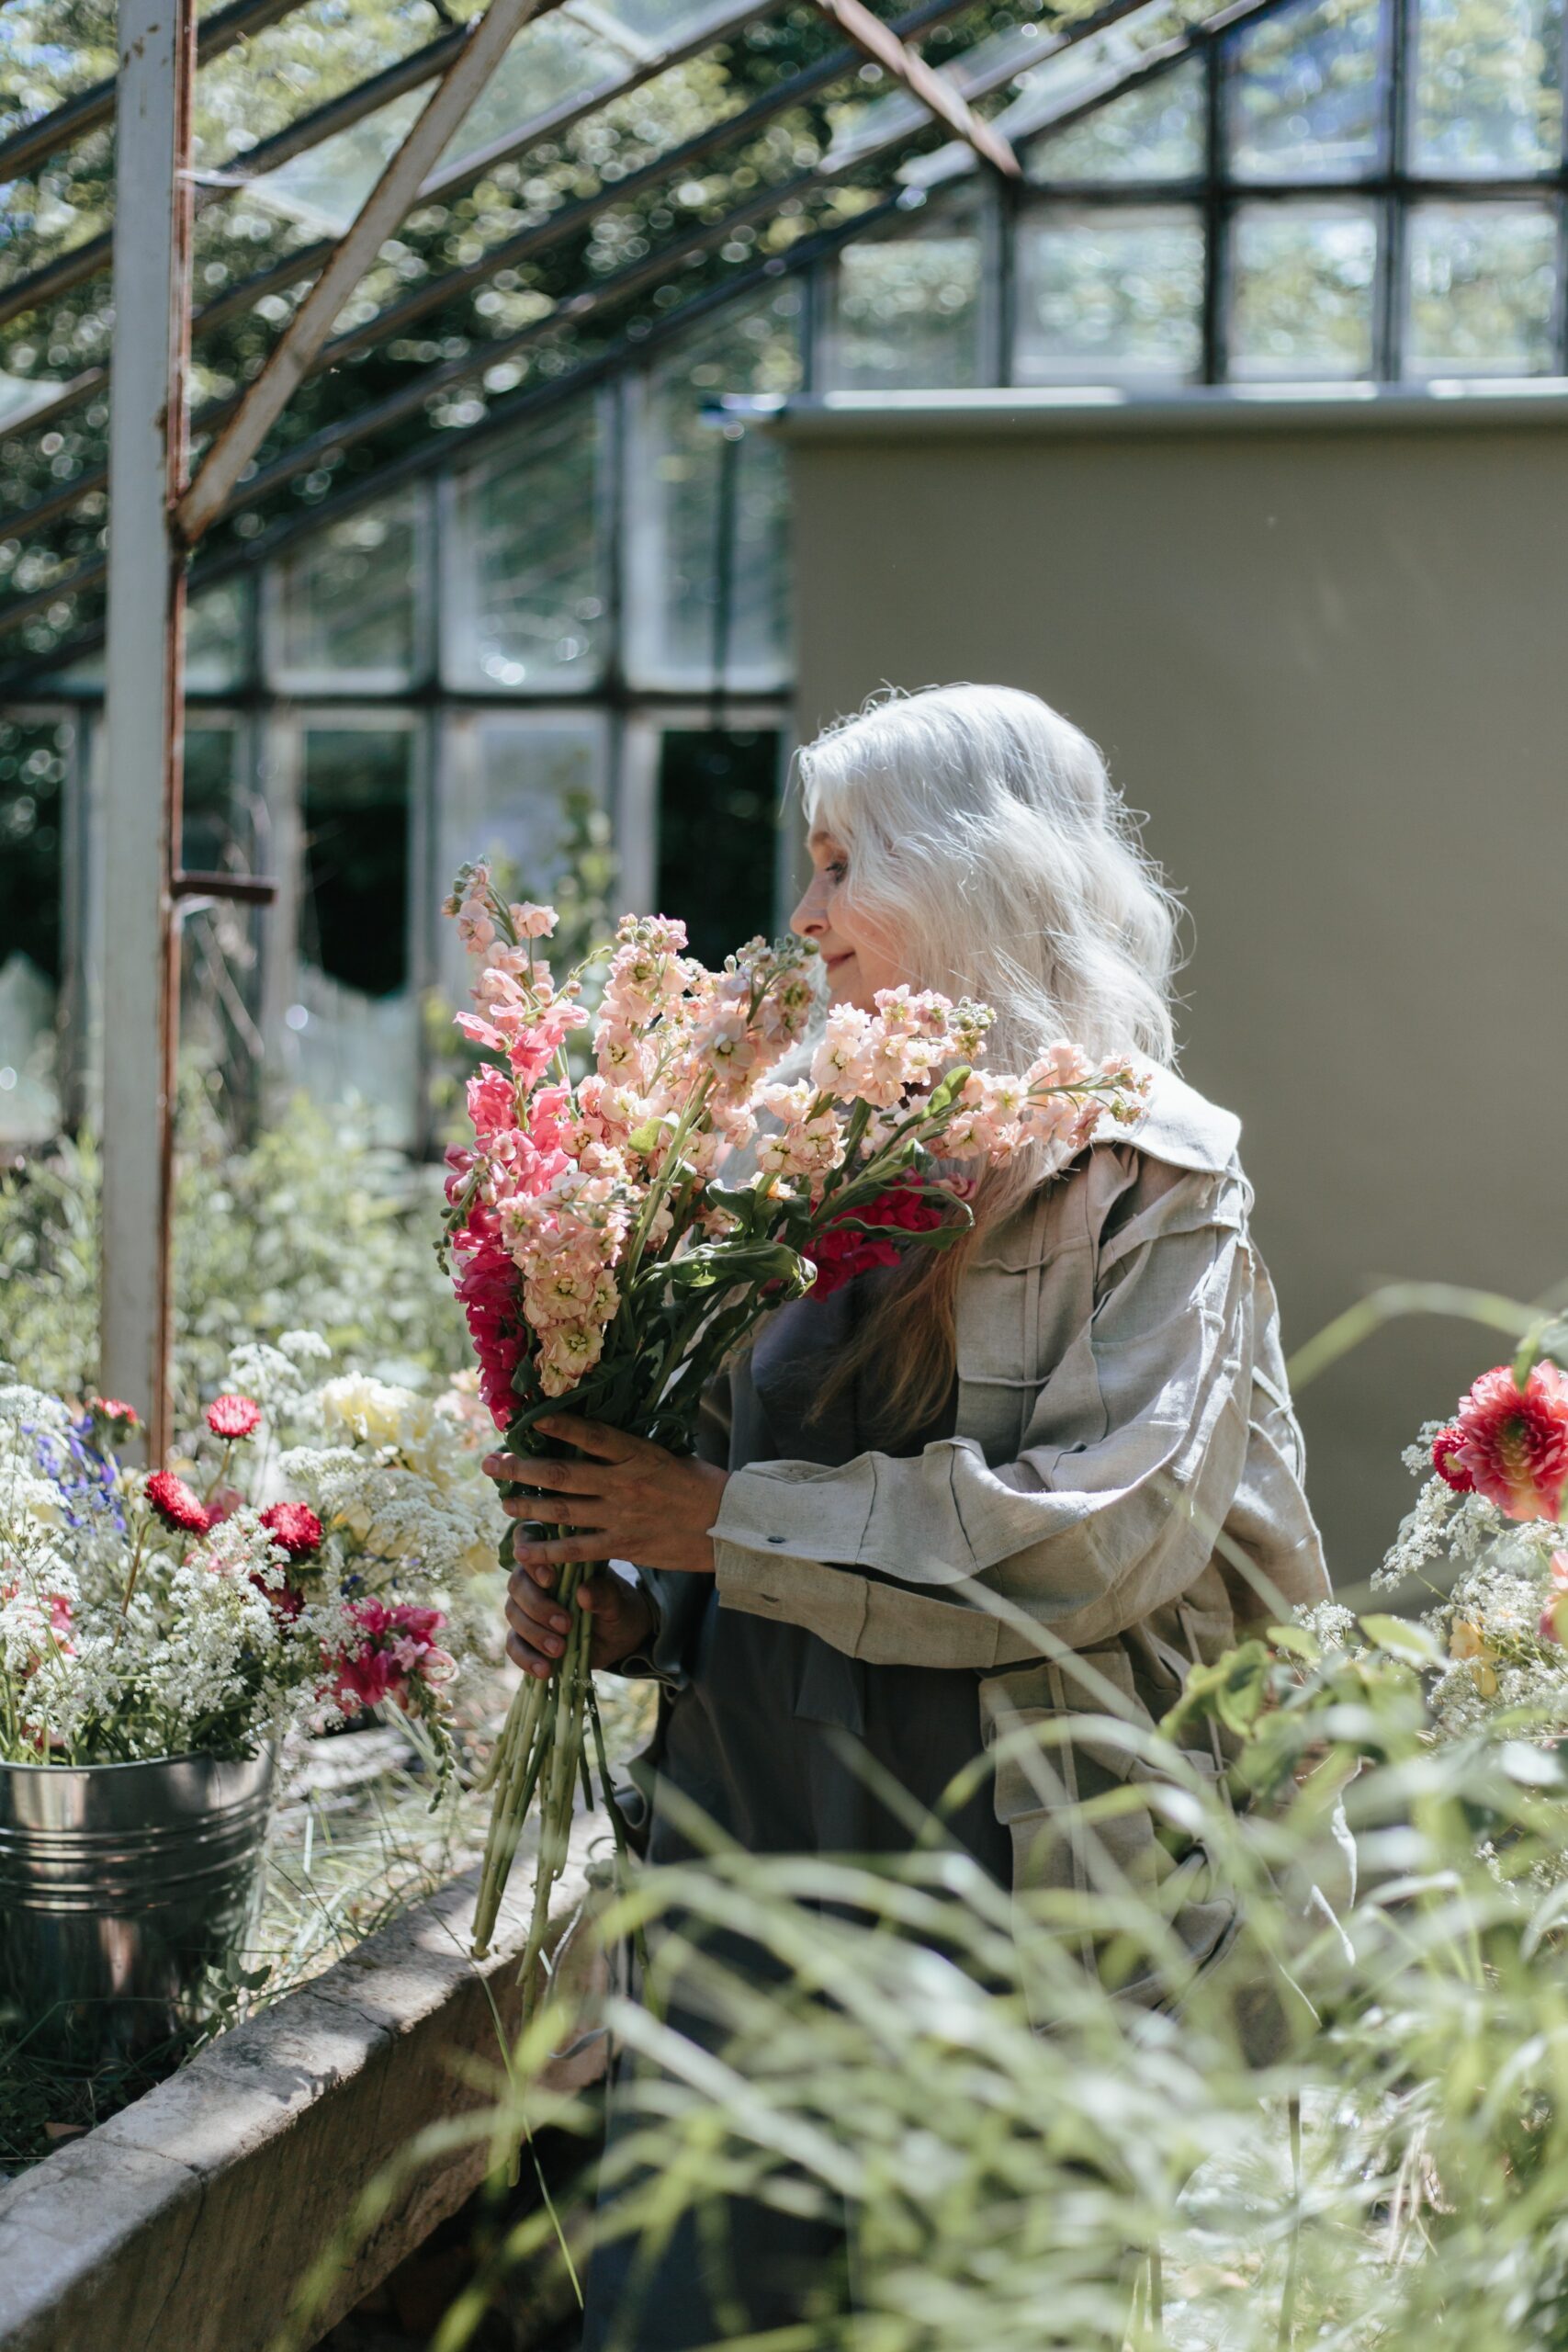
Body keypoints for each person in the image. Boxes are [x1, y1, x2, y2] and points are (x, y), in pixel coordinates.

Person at [486, 683, 1330, 2347]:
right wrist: (636, 1606)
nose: (801, 921)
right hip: (742, 1887)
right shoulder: (785, 1161)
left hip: (1010, 1905)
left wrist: (713, 1522)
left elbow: (1099, 1535)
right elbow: (738, 1526)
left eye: (837, 862)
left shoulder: (1148, 1187)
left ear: (968, 871)